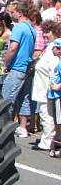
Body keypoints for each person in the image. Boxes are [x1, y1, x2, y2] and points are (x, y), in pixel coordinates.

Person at [1, 4, 37, 138]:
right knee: (24, 98)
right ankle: (22, 127)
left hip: (17, 67)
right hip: (26, 67)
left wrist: (6, 62)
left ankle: (5, 126)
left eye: (12, 12)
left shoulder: (19, 28)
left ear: (20, 13)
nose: (11, 15)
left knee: (7, 98)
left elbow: (13, 48)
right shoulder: (31, 29)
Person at [32, 21, 61, 151]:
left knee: (47, 116)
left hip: (48, 89)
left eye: (47, 32)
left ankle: (47, 142)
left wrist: (54, 89)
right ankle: (51, 140)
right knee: (47, 115)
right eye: (43, 32)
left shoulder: (54, 49)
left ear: (55, 33)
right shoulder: (49, 48)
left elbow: (54, 70)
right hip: (42, 87)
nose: (44, 35)